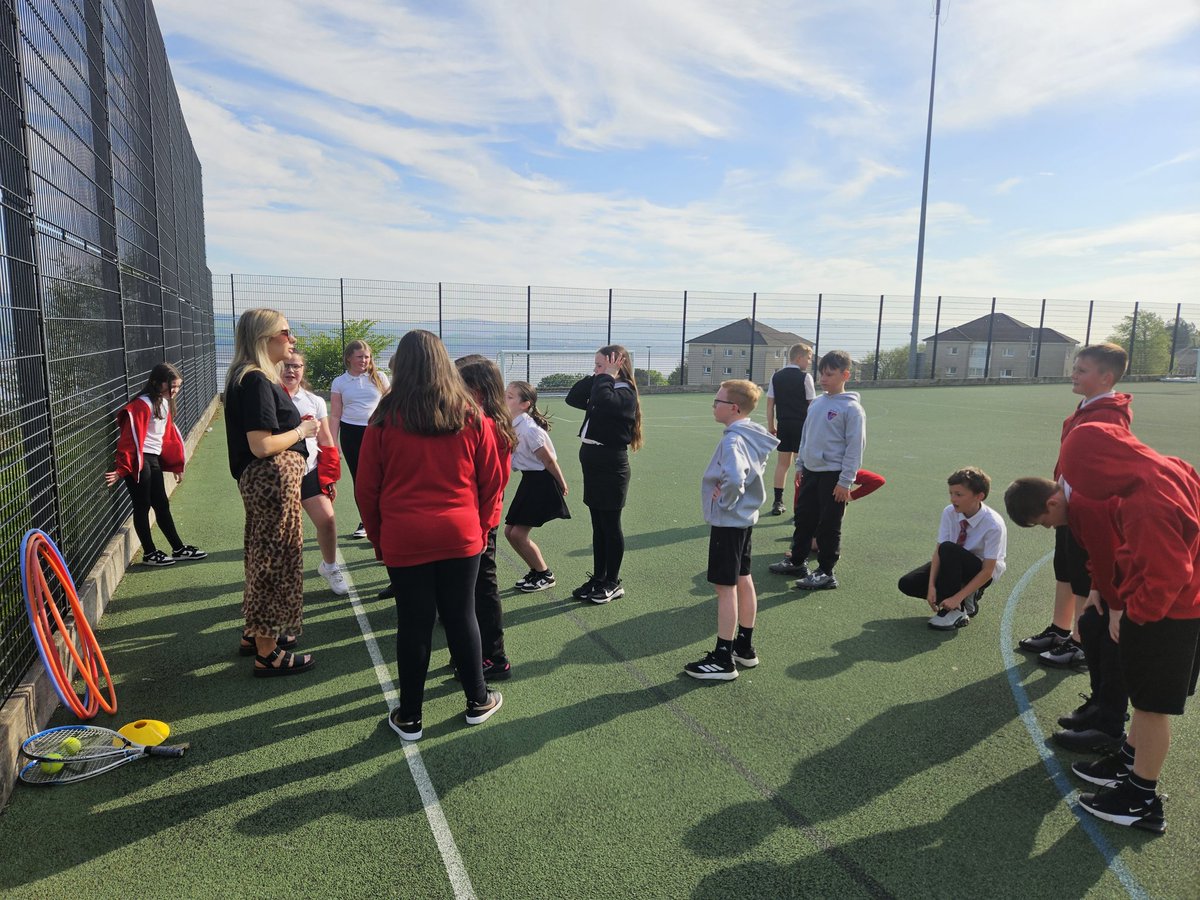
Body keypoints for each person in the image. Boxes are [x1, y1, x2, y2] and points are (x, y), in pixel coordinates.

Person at [356, 330, 505, 741]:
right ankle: (477, 700)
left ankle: (410, 715)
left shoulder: (384, 418)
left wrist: (378, 538)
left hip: (405, 536)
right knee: (462, 615)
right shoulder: (470, 414)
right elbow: (491, 481)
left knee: (414, 624)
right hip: (461, 533)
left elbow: (367, 488)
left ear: (400, 366)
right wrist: (483, 525)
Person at [1049, 423, 1197, 834]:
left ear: (1099, 463)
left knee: (1151, 709)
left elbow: (1167, 573)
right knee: (1147, 704)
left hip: (1168, 614)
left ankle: (1140, 799)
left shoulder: (1145, 500)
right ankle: (1132, 762)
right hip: (1182, 605)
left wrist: (1136, 615)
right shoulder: (1168, 466)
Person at [1017, 342, 1132, 670]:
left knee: (1084, 577)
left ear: (1106, 377)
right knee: (1065, 569)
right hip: (1067, 506)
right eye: (1075, 368)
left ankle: (1082, 642)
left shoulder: (1108, 416)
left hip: (1085, 509)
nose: (1074, 374)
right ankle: (1060, 628)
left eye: (1082, 370)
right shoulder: (1084, 409)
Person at [224, 308, 319, 676]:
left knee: (263, 555)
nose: (291, 339)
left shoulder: (246, 377)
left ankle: (256, 633)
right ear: (266, 337)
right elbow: (262, 444)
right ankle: (268, 651)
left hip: (268, 483)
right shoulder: (257, 381)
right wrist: (302, 432)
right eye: (286, 332)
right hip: (272, 482)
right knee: (274, 563)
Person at [1005, 476, 1127, 753]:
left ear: (1053, 502)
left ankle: (1110, 728)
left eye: (1044, 521)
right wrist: (1096, 587)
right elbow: (1098, 556)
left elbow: (1111, 552)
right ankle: (1099, 705)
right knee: (1091, 624)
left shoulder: (1088, 507)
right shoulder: (1072, 504)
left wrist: (1118, 609)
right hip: (1119, 574)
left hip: (1146, 577)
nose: (1049, 526)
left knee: (1114, 641)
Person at [684, 380, 777, 681]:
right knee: (743, 578)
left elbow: (736, 477)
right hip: (745, 520)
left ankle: (724, 657)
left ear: (734, 408)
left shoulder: (733, 440)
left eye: (718, 401)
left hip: (730, 521)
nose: (714, 405)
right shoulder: (753, 433)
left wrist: (724, 499)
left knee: (725, 588)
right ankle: (744, 647)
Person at [768, 350, 864, 591]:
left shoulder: (852, 409)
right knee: (804, 519)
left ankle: (826, 572)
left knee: (829, 524)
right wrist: (801, 465)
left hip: (833, 475)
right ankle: (797, 562)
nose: (823, 378)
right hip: (810, 471)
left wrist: (845, 481)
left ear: (845, 375)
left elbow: (855, 448)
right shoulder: (818, 404)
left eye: (830, 374)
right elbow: (806, 437)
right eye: (821, 373)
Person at [104, 362, 207, 567]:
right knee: (142, 506)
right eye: (172, 386)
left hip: (152, 460)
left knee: (161, 504)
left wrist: (177, 465)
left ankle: (178, 548)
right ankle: (150, 553)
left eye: (178, 387)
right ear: (156, 383)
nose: (175, 391)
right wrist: (121, 469)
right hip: (139, 460)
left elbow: (167, 437)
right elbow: (128, 439)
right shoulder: (143, 404)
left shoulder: (164, 402)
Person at [565, 345, 643, 604]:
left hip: (611, 465)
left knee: (610, 524)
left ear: (617, 366)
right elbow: (573, 397)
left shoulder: (625, 394)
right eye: (595, 366)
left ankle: (613, 581)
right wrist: (598, 375)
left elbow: (603, 401)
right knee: (598, 524)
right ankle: (598, 578)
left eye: (601, 366)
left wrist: (607, 376)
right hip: (593, 462)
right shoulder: (603, 386)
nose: (596, 371)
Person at [455, 354, 516, 681]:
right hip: (478, 518)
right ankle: (479, 651)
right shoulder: (489, 420)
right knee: (476, 587)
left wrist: (481, 529)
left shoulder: (488, 425)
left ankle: (494, 657)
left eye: (458, 383)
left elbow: (493, 483)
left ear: (476, 389)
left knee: (482, 587)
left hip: (481, 520)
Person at [897, 467, 1007, 630]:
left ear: (979, 496)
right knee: (907, 583)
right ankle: (960, 596)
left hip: (980, 571)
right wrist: (931, 586)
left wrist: (956, 598)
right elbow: (938, 551)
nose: (952, 499)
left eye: (959, 495)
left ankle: (958, 609)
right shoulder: (949, 513)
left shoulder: (993, 524)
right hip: (952, 561)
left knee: (950, 549)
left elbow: (988, 571)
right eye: (951, 493)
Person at [280, 351, 348, 596]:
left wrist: (329, 477)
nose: (291, 371)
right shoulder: (268, 397)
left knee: (327, 520)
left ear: (302, 370)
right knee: (285, 532)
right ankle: (282, 578)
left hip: (309, 472)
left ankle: (329, 567)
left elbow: (326, 439)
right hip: (279, 475)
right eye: (286, 366)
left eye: (296, 366)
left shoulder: (314, 401)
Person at [504, 381, 570, 593]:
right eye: (506, 395)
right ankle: (535, 571)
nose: (505, 399)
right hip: (529, 481)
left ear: (525, 404)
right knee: (509, 532)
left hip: (542, 483)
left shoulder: (530, 430)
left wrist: (561, 483)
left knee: (518, 535)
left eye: (511, 397)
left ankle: (544, 574)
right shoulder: (514, 424)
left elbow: (549, 461)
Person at [330, 340, 389, 539]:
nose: (364, 360)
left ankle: (386, 519)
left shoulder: (380, 378)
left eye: (367, 356)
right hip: (351, 434)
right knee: (361, 480)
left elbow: (391, 406)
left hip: (378, 433)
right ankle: (367, 522)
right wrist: (333, 443)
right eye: (359, 357)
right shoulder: (339, 382)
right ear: (349, 358)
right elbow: (336, 414)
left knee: (384, 477)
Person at [765, 343, 815, 516]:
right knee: (801, 466)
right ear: (799, 357)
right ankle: (801, 504)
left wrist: (771, 426)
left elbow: (770, 404)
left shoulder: (776, 376)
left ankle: (777, 501)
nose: (809, 362)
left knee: (782, 464)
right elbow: (812, 405)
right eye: (808, 358)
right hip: (802, 426)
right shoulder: (805, 377)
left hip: (784, 425)